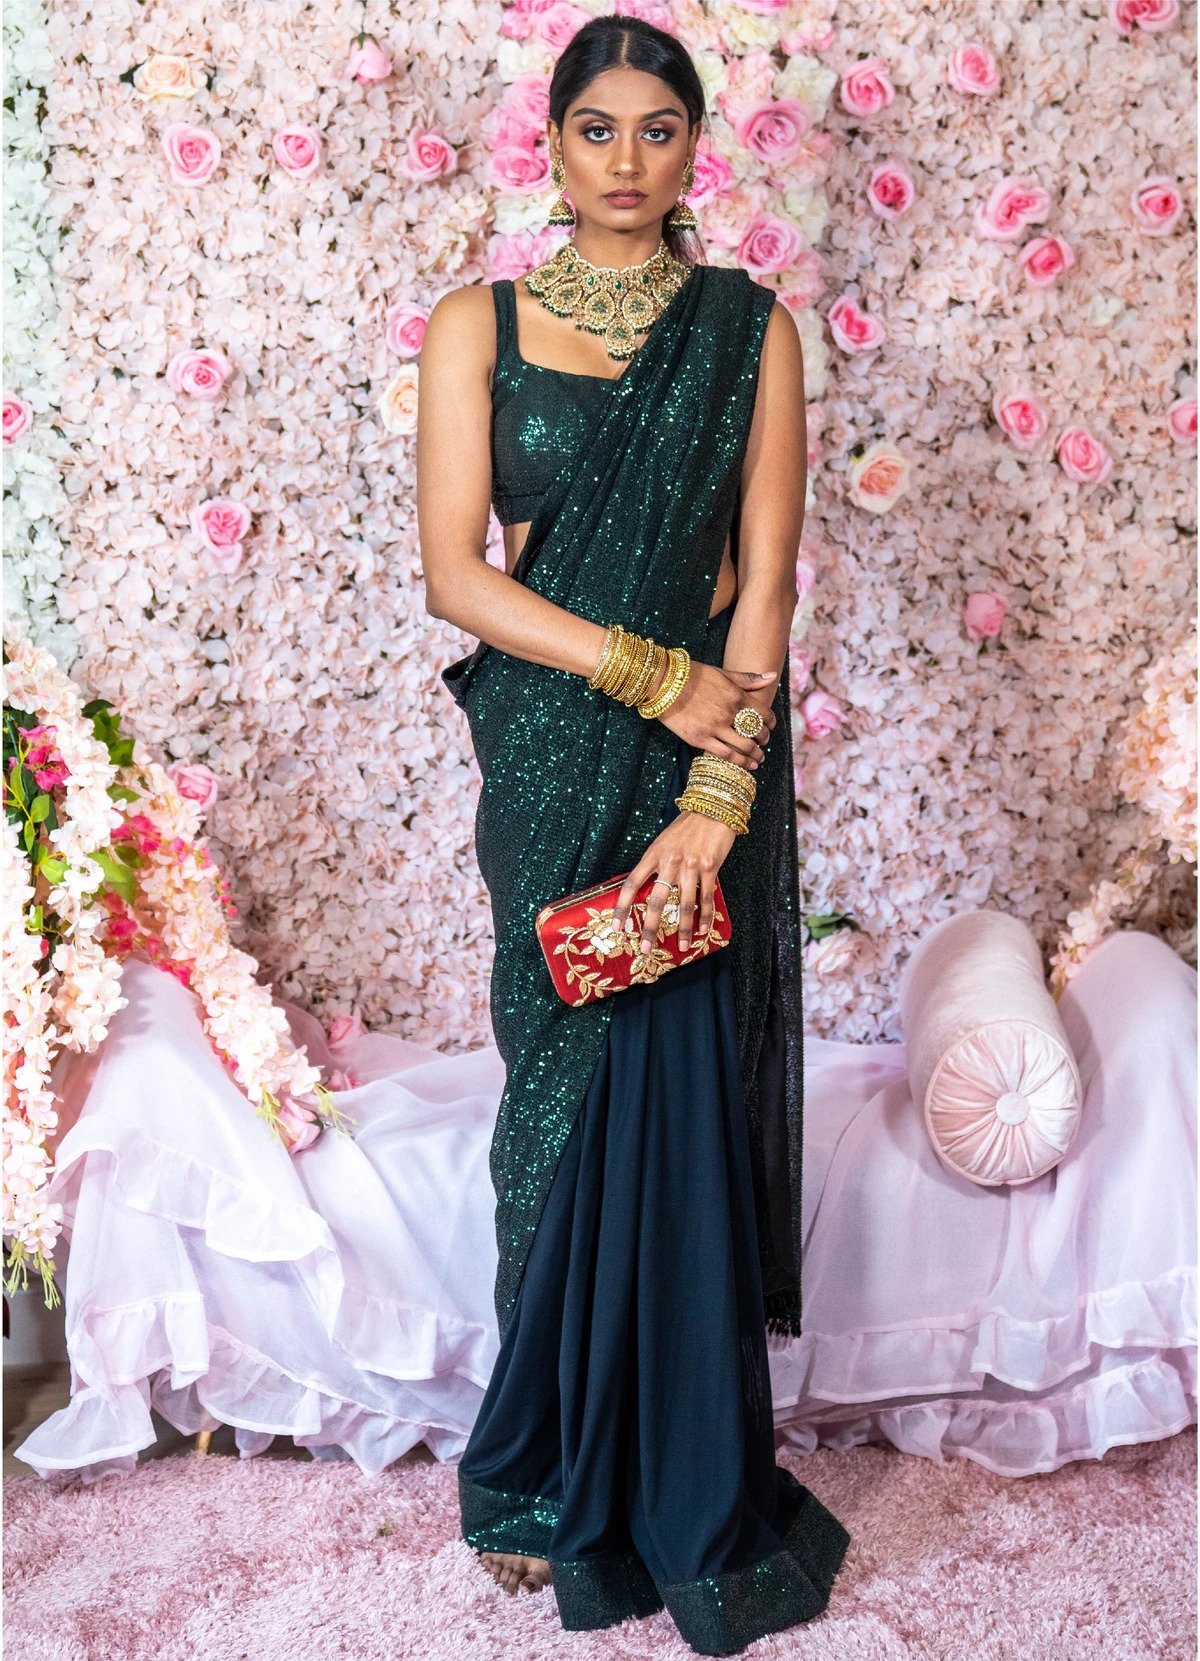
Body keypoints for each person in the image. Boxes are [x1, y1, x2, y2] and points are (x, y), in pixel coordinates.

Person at [415, 14, 851, 1655]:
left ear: (693, 150)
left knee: (671, 1088)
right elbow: (458, 575)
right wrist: (648, 676)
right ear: (550, 142)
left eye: (656, 129)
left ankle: (672, 1464)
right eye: (594, 129)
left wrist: (718, 790)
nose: (624, 159)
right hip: (548, 750)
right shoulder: (478, 324)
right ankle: (535, 1466)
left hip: (699, 769)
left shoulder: (750, 330)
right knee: (552, 1094)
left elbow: (767, 575)